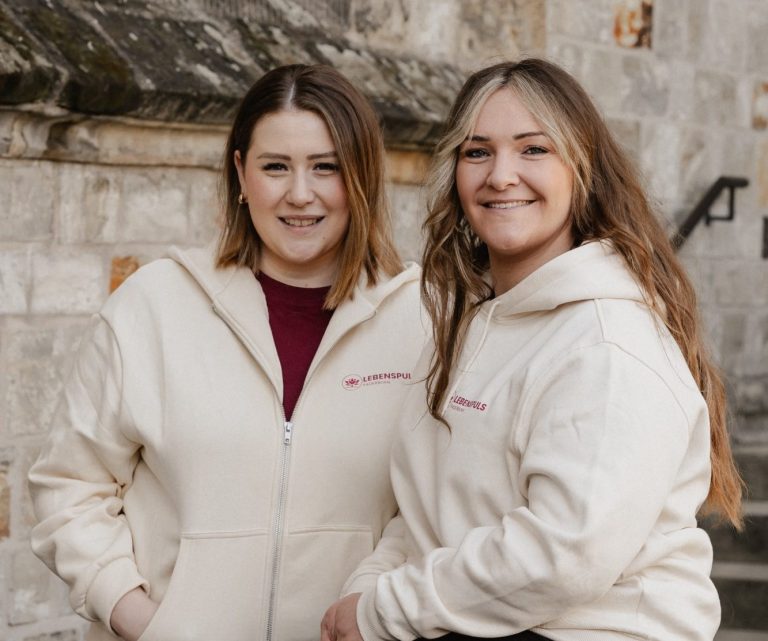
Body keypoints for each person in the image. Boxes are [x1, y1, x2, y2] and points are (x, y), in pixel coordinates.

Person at [321, 58, 744, 641]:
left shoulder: (607, 345)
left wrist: (382, 610)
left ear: (582, 168)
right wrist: (366, 590)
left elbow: (563, 555)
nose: (501, 175)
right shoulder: (471, 324)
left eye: (533, 149)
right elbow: (425, 514)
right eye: (477, 151)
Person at [29, 64, 425, 641]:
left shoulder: (422, 321)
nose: (299, 194)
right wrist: (141, 619)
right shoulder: (155, 304)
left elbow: (425, 508)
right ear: (240, 173)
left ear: (361, 176)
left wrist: (367, 606)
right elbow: (69, 484)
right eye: (275, 167)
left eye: (325, 167)